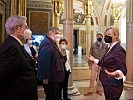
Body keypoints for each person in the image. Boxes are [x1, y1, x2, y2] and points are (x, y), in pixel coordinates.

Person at [0, 15, 38, 99]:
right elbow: (4, 75)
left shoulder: (16, 44)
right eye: (26, 26)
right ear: (17, 28)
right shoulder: (12, 47)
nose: (27, 30)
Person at [88, 26, 127, 100]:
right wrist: (94, 60)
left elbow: (123, 70)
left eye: (109, 34)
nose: (106, 36)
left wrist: (116, 73)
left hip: (113, 85)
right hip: (107, 83)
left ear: (115, 35)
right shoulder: (110, 48)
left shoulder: (118, 50)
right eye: (106, 34)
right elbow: (104, 63)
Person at [37, 27, 65, 100]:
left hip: (53, 78)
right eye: (56, 33)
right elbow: (44, 62)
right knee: (51, 96)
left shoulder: (51, 42)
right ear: (50, 33)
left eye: (58, 33)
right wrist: (46, 78)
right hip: (50, 79)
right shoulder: (47, 43)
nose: (58, 35)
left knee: (53, 96)